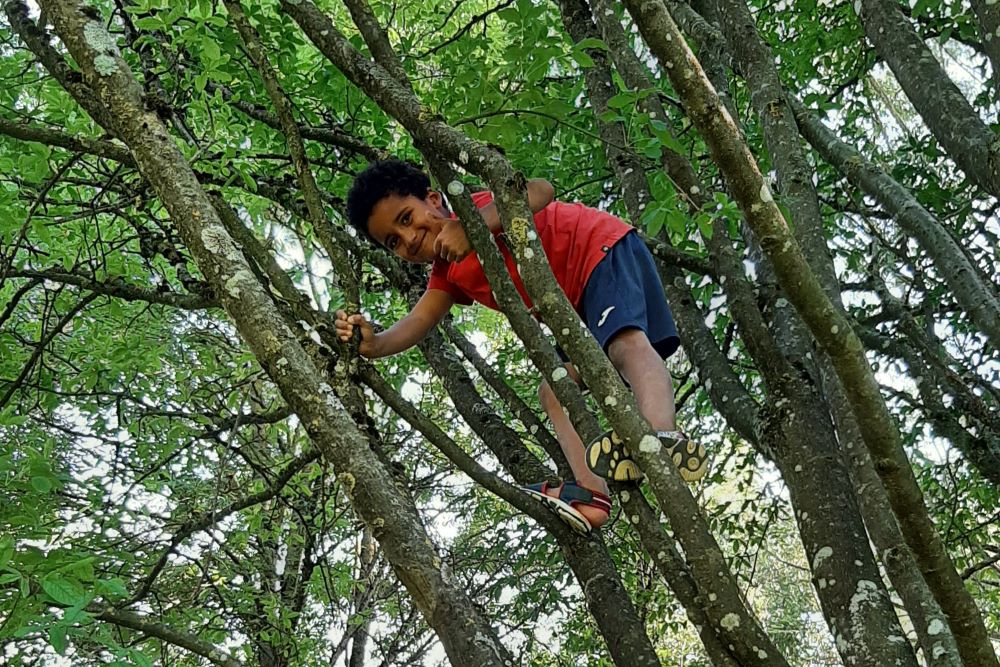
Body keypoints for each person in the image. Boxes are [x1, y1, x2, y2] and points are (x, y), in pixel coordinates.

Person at [336, 159, 705, 533]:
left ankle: (662, 437)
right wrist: (375, 344)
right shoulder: (446, 273)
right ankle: (593, 496)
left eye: (405, 218)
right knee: (554, 391)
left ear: (433, 199)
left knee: (626, 345)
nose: (409, 237)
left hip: (599, 251)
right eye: (393, 241)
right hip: (575, 309)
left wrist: (473, 227)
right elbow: (418, 321)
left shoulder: (476, 207)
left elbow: (541, 188)